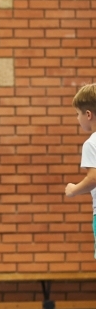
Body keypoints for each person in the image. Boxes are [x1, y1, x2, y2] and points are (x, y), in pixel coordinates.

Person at [65, 83, 96, 257]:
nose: (77, 118)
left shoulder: (92, 143)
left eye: (78, 114)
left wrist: (73, 190)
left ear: (88, 115)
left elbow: (93, 179)